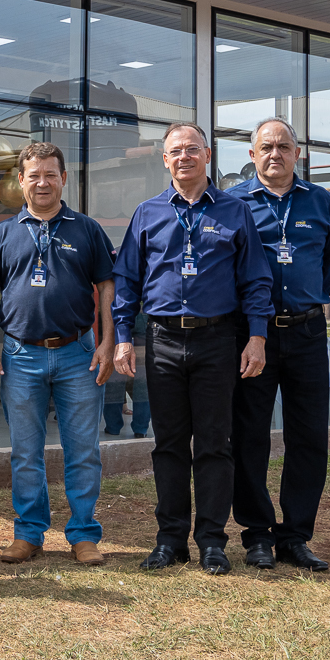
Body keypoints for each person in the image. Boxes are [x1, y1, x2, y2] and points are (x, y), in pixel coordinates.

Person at [113, 122, 273, 575]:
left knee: (214, 444)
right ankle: (170, 540)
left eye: (192, 149)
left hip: (218, 340)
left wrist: (257, 337)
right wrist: (123, 335)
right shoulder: (147, 214)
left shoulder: (234, 211)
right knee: (167, 445)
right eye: (175, 151)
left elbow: (256, 279)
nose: (184, 157)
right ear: (165, 160)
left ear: (207, 156)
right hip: (161, 340)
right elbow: (126, 280)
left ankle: (211, 541)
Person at [0, 142, 115, 565]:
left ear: (63, 179)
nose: (42, 182)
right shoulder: (3, 233)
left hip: (77, 354)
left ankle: (84, 535)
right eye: (33, 175)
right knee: (25, 451)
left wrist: (108, 339)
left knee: (84, 450)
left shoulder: (86, 229)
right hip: (21, 356)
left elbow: (107, 287)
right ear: (21, 181)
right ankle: (28, 533)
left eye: (50, 174)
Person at [227, 118, 330, 572]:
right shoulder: (233, 202)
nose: (275, 154)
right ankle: (256, 535)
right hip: (252, 337)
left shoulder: (321, 201)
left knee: (309, 437)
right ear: (252, 155)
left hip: (308, 331)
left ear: (299, 154)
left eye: (284, 146)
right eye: (266, 147)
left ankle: (295, 535)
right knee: (249, 437)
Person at [102, 318, 151, 438]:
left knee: (115, 379)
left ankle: (113, 426)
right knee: (142, 380)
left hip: (117, 313)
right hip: (141, 311)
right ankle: (141, 428)